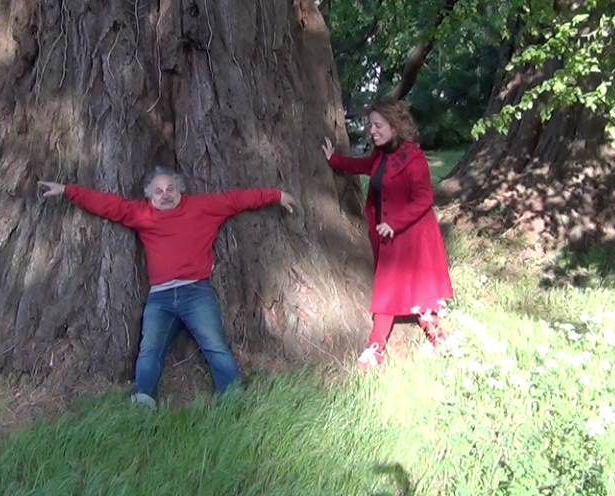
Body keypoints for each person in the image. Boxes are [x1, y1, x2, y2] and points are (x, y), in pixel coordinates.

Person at [37, 167, 297, 408]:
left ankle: (232, 398)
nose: (165, 195)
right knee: (149, 348)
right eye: (158, 191)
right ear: (149, 195)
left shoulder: (202, 208)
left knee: (214, 344)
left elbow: (237, 199)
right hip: (160, 298)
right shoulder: (142, 214)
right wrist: (68, 190)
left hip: (196, 293)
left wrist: (276, 195)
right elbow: (108, 205)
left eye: (170, 189)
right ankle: (143, 401)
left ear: (180, 190)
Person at [323, 98, 453, 369]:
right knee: (408, 289)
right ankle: (436, 339)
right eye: (371, 125)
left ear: (395, 127)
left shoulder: (413, 159)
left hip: (411, 234)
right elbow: (363, 166)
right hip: (391, 233)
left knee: (397, 290)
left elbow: (423, 199)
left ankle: (376, 351)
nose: (372, 131)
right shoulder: (381, 155)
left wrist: (395, 223)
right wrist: (333, 159)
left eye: (378, 125)